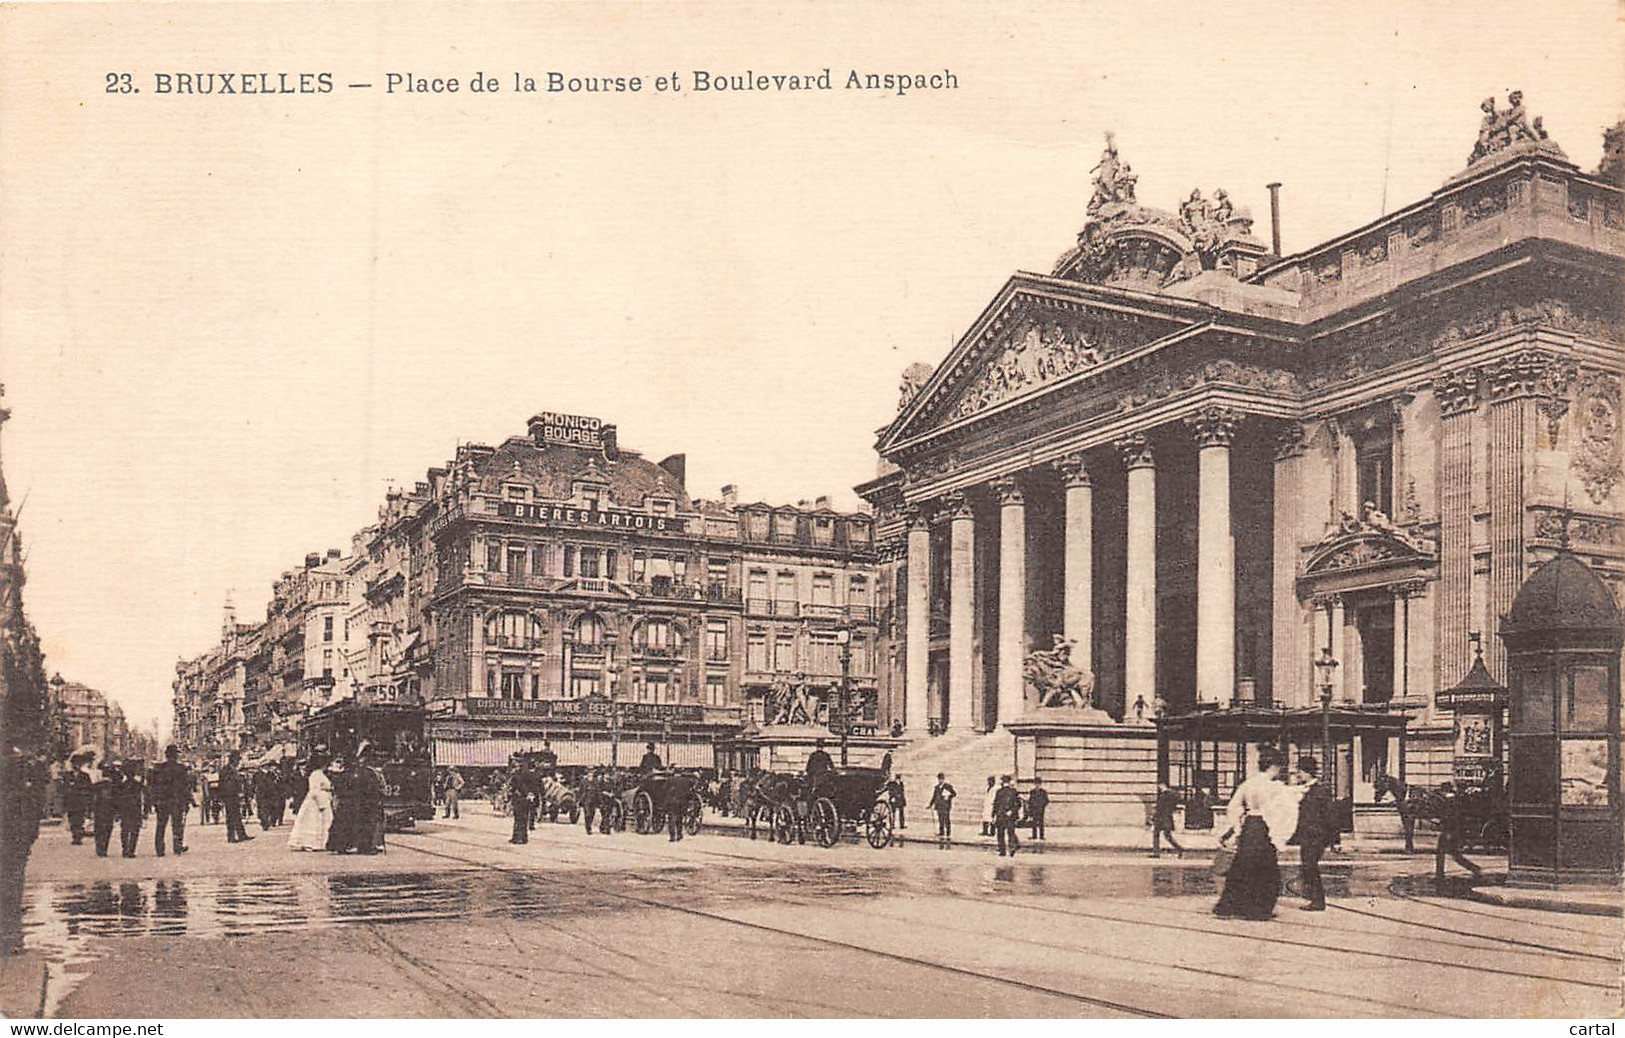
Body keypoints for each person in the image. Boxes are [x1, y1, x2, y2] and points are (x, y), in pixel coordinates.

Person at [1213, 749, 1292, 921]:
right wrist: (1280, 835)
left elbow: (1233, 807)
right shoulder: (1276, 787)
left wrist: (1238, 828)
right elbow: (1285, 811)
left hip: (1250, 826)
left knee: (1242, 867)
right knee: (1267, 870)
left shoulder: (1248, 784)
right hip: (1265, 828)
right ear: (1274, 766)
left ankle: (1231, 906)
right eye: (1279, 767)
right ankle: (1259, 909)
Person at [1287, 756, 1336, 911]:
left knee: (1309, 866)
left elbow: (1330, 816)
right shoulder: (1304, 789)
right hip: (1306, 836)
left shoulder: (1320, 790)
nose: (1297, 774)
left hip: (1317, 836)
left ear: (1307, 772)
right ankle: (1314, 898)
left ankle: (1318, 901)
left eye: (1299, 771)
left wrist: (1336, 841)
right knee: (1307, 866)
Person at [1433, 782, 1484, 883]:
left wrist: (1441, 822)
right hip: (1451, 831)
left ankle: (1440, 875)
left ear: (1445, 791)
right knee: (1453, 854)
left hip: (1450, 831)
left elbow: (1450, 817)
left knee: (1446, 853)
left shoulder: (1450, 801)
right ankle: (1474, 868)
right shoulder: (1453, 799)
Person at [148, 746, 192, 856]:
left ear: (166, 755)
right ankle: (177, 847)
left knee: (161, 825)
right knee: (177, 825)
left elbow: (152, 786)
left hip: (162, 801)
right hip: (176, 801)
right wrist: (188, 801)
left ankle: (160, 850)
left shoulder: (158, 769)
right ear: (176, 755)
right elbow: (185, 787)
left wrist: (153, 801)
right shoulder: (181, 769)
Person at [288, 754, 334, 851]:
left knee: (321, 822)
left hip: (323, 799)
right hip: (317, 802)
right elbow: (314, 790)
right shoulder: (316, 774)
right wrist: (321, 803)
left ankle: (320, 843)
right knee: (313, 822)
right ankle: (311, 843)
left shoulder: (320, 774)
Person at [352, 746, 386, 854]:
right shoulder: (373, 773)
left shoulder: (360, 771)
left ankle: (363, 846)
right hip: (371, 802)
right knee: (371, 824)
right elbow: (378, 788)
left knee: (363, 823)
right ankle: (370, 846)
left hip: (362, 801)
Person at [112, 761, 146, 858]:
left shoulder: (121, 785)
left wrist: (117, 812)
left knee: (125, 830)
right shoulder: (137, 784)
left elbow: (117, 799)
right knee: (134, 830)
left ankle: (125, 849)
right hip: (135, 809)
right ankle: (131, 850)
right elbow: (143, 797)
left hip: (125, 809)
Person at [218, 752, 252, 843]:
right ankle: (231, 837)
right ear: (234, 760)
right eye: (238, 760)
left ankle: (241, 835)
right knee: (231, 816)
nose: (238, 762)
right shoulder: (226, 770)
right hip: (229, 796)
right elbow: (225, 784)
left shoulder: (233, 769)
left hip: (233, 796)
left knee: (236, 815)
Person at [325, 756, 357, 853]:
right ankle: (342, 845)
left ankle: (335, 845)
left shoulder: (338, 777)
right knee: (345, 824)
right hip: (347, 801)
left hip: (342, 802)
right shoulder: (347, 777)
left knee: (339, 823)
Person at [62, 753, 93, 845]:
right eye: (74, 764)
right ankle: (75, 835)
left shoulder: (85, 776)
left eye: (78, 764)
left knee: (79, 819)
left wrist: (87, 798)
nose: (76, 766)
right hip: (71, 800)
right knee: (72, 819)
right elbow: (63, 788)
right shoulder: (67, 775)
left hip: (80, 800)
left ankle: (78, 837)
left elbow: (89, 788)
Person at [90, 757, 117, 857]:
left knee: (98, 829)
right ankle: (104, 847)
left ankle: (99, 848)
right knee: (107, 829)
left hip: (99, 810)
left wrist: (91, 810)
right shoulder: (113, 786)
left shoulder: (96, 785)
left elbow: (93, 799)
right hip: (109, 811)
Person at [1152, 783, 1184, 859]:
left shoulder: (1165, 795)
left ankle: (1157, 853)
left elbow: (1159, 807)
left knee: (1160, 835)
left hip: (1162, 818)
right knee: (1165, 836)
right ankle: (1179, 849)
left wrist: (1154, 816)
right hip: (1166, 818)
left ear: (1163, 786)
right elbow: (1178, 799)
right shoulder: (1171, 794)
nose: (1159, 788)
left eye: (1160, 786)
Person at [993, 775, 1022, 857]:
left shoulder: (999, 792)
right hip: (1008, 815)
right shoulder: (1013, 791)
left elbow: (996, 804)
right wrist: (1012, 811)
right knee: (1010, 832)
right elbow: (1018, 804)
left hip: (1001, 815)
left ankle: (1003, 850)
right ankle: (1011, 848)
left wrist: (993, 815)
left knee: (1001, 833)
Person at [509, 760, 536, 844]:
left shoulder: (517, 776)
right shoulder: (528, 775)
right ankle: (522, 838)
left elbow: (514, 787)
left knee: (519, 819)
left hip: (519, 799)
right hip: (525, 799)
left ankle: (518, 838)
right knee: (523, 819)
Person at [664, 771, 694, 842]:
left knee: (671, 819)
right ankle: (679, 835)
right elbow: (688, 792)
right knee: (679, 818)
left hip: (672, 802)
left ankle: (672, 836)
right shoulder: (685, 780)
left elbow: (664, 788)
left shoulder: (670, 779)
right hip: (682, 802)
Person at [928, 773, 956, 846]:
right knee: (940, 819)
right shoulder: (936, 787)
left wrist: (948, 796)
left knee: (946, 819)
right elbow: (934, 797)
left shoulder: (948, 786)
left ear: (944, 779)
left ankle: (948, 832)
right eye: (939, 779)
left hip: (946, 806)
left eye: (941, 779)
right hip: (939, 806)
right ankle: (941, 832)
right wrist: (930, 804)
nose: (940, 780)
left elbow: (954, 793)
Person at [580, 768, 601, 835]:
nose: (590, 773)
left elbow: (598, 790)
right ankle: (588, 828)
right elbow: (581, 790)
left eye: (591, 772)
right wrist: (581, 799)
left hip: (593, 800)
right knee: (587, 814)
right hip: (586, 800)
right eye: (589, 772)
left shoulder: (595, 781)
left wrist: (599, 799)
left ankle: (589, 825)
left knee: (592, 814)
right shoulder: (584, 781)